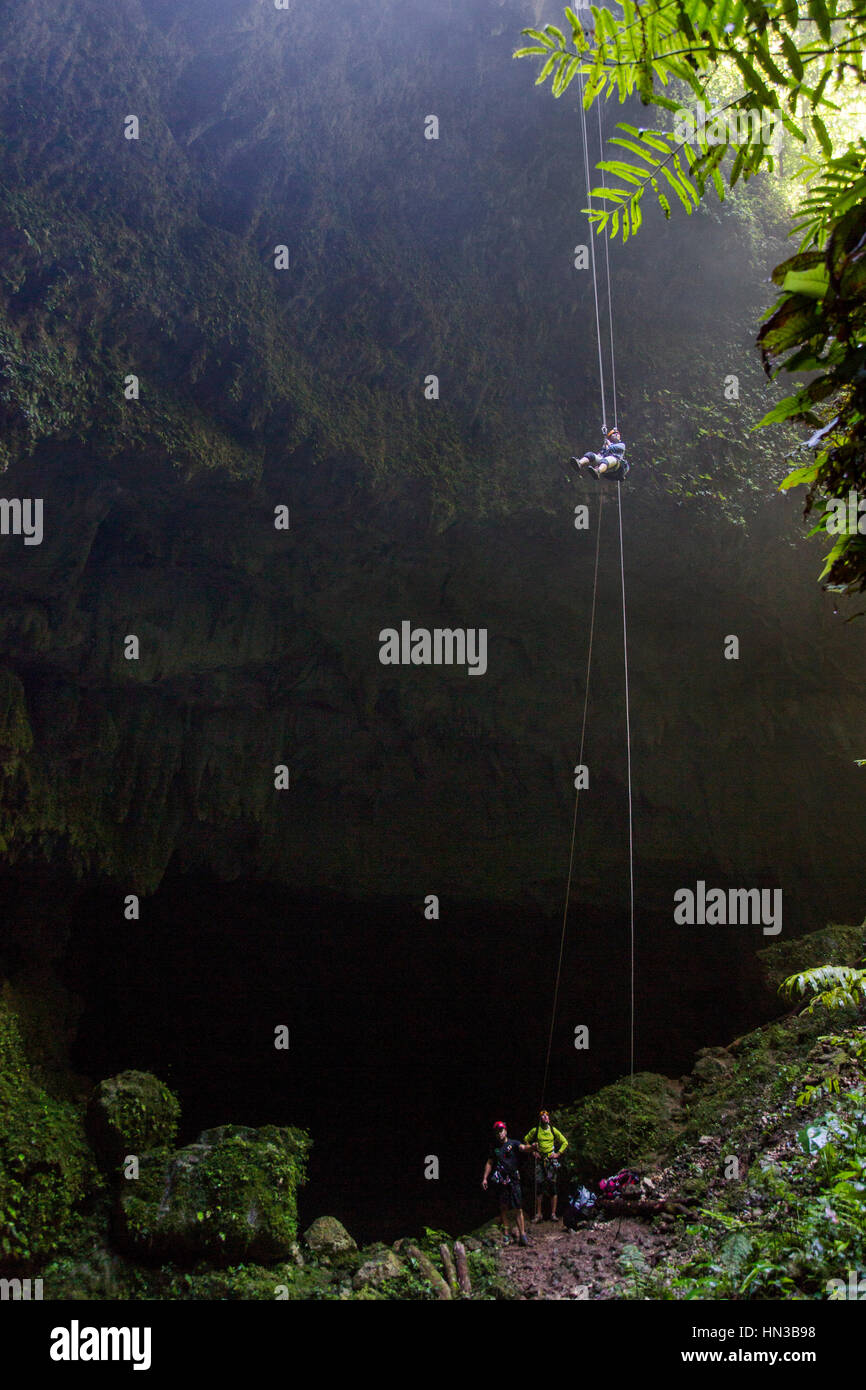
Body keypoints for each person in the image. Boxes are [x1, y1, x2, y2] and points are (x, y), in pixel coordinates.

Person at [482, 1120, 537, 1247]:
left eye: (501, 1131)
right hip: (501, 1180)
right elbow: (490, 1162)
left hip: (514, 1179)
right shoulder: (494, 1148)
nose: (499, 1134)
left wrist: (533, 1147)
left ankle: (523, 1236)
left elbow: (523, 1148)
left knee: (518, 1207)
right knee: (503, 1207)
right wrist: (485, 1178)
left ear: (505, 1131)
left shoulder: (513, 1143)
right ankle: (506, 1234)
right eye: (497, 1132)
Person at [524, 1109, 569, 1223]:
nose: (545, 1118)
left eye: (546, 1116)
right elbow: (526, 1139)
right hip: (540, 1161)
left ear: (549, 1118)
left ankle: (553, 1214)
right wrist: (533, 1151)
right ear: (540, 1119)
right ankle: (539, 1214)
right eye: (543, 1116)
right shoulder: (536, 1130)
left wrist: (558, 1154)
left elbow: (565, 1142)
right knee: (539, 1187)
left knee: (553, 1187)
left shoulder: (553, 1130)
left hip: (550, 1161)